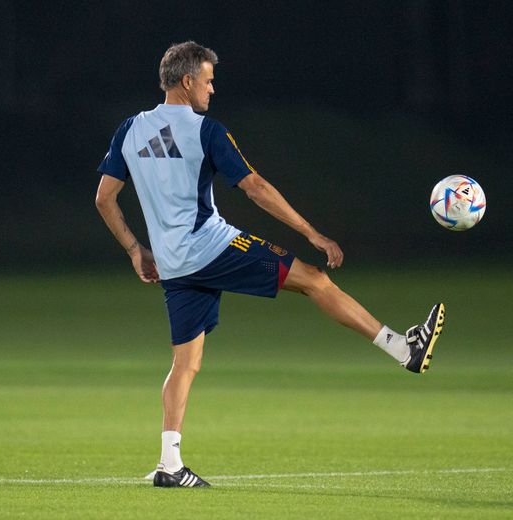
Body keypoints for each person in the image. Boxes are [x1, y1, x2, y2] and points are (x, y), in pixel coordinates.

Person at [95, 41, 445, 488]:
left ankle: (169, 464)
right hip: (212, 248)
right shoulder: (206, 131)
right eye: (208, 80)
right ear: (187, 81)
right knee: (315, 280)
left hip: (174, 265)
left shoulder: (130, 129)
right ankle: (403, 348)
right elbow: (255, 187)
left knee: (185, 364)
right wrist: (312, 233)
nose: (212, 88)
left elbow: (104, 198)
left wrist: (134, 250)